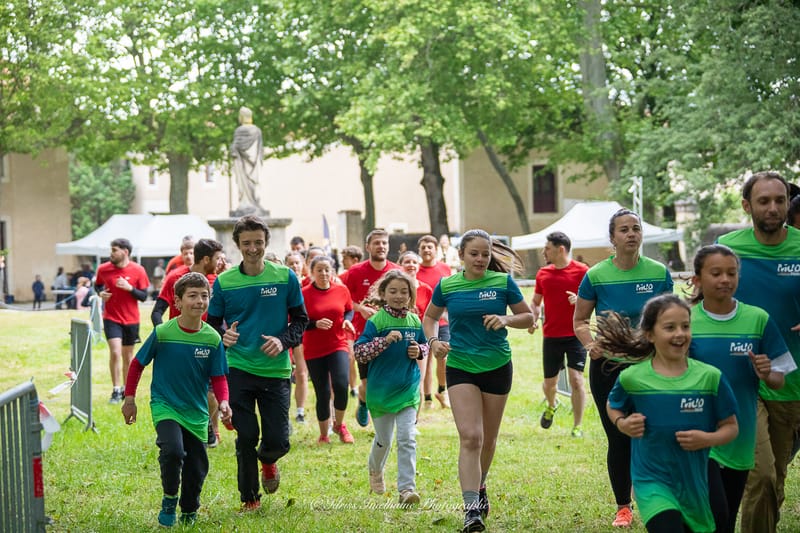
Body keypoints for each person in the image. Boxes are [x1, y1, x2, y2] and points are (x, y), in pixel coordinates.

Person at [599, 294, 739, 533]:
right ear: (650, 334)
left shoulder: (709, 377)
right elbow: (613, 405)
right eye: (669, 327)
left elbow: (731, 426)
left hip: (698, 476)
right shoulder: (633, 378)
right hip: (652, 479)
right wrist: (622, 423)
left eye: (685, 326)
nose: (679, 334)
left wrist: (708, 439)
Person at [423, 229, 533, 533]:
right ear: (461, 256)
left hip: (497, 364)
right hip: (460, 365)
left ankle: (480, 485)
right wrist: (433, 341)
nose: (481, 259)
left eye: (485, 254)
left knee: (488, 439)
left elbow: (529, 318)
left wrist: (507, 319)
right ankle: (471, 510)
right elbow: (429, 317)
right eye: (474, 254)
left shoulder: (502, 282)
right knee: (471, 436)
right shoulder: (448, 285)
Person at [572, 208, 674, 528]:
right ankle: (623, 507)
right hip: (609, 369)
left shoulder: (658, 272)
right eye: (624, 230)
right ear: (612, 238)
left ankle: (657, 498)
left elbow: (671, 319)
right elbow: (579, 321)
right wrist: (592, 345)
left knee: (653, 434)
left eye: (636, 228)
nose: (631, 234)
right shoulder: (596, 275)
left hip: (649, 366)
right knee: (619, 438)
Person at [687, 244, 794, 532]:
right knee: (716, 517)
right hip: (697, 437)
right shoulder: (685, 321)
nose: (725, 279)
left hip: (740, 436)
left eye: (731, 273)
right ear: (697, 279)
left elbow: (779, 378)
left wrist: (767, 372)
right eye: (716, 273)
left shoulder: (757, 319)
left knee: (727, 517)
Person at [717, 171, 800, 533]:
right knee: (761, 475)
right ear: (747, 206)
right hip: (744, 381)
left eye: (779, 200)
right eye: (764, 201)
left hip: (790, 381)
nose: (773, 208)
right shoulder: (727, 247)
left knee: (773, 482)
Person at [206, 215, 308, 510]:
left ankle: (269, 460)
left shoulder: (284, 277)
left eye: (258, 243)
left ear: (266, 243)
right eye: (247, 243)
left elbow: (301, 320)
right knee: (246, 436)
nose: (253, 249)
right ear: (237, 244)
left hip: (275, 371)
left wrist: (283, 341)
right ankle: (250, 498)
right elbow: (212, 324)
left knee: (279, 441)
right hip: (237, 368)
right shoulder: (225, 282)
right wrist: (223, 336)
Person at [121, 272, 232, 527]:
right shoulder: (163, 332)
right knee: (172, 451)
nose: (199, 301)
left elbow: (219, 378)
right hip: (165, 405)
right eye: (192, 296)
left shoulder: (212, 338)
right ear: (177, 302)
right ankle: (170, 498)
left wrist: (224, 402)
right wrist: (129, 399)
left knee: (197, 467)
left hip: (196, 411)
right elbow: (137, 364)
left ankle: (189, 509)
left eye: (204, 296)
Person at [354, 270, 428, 505]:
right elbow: (360, 352)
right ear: (383, 293)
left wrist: (419, 350)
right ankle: (375, 469)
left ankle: (407, 489)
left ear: (410, 295)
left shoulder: (415, 321)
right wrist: (383, 341)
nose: (398, 296)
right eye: (393, 291)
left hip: (407, 389)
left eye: (404, 292)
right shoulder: (376, 322)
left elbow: (425, 346)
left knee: (407, 439)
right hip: (381, 391)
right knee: (384, 440)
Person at [151, 239, 226, 448]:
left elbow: (220, 317)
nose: (220, 262)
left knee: (211, 386)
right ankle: (175, 428)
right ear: (206, 259)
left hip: (207, 343)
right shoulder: (175, 277)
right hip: (178, 345)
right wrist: (164, 337)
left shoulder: (216, 280)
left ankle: (211, 427)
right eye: (217, 258)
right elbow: (157, 312)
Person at [527, 232, 589, 437]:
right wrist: (532, 318)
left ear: (560, 249)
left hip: (576, 334)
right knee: (550, 383)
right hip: (552, 335)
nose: (544, 252)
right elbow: (535, 303)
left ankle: (577, 426)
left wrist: (580, 300)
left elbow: (594, 299)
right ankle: (552, 405)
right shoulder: (543, 274)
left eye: (547, 248)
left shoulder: (582, 272)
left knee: (576, 379)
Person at [343, 229, 400, 428]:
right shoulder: (356, 272)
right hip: (364, 335)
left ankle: (385, 419)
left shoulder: (395, 271)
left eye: (384, 243)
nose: (381, 246)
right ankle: (363, 400)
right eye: (376, 243)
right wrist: (360, 308)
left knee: (388, 379)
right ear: (368, 247)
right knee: (368, 383)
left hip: (391, 334)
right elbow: (342, 296)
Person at [301, 255, 356, 444]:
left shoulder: (341, 290)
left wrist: (348, 319)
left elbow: (349, 309)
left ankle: (339, 425)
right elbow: (298, 321)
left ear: (332, 271)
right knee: (322, 392)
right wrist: (315, 324)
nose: (324, 273)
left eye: (327, 269)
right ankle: (324, 435)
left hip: (337, 343)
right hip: (314, 349)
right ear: (312, 272)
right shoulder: (305, 293)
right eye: (319, 270)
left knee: (341, 385)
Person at [95, 238, 150, 404]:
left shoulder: (138, 270)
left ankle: (128, 390)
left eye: (114, 250)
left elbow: (144, 296)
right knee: (115, 352)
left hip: (131, 319)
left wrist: (130, 288)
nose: (111, 254)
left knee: (128, 356)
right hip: (111, 317)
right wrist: (100, 294)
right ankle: (116, 390)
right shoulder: (103, 269)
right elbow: (97, 286)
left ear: (125, 252)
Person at [416, 235, 453, 409]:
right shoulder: (415, 270)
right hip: (422, 322)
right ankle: (428, 398)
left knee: (443, 356)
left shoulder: (445, 269)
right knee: (426, 359)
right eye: (423, 247)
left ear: (436, 249)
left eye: (430, 247)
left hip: (442, 321)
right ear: (419, 250)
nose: (426, 250)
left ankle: (442, 390)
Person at [284, 250, 309, 424]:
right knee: (285, 372)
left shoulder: (309, 284)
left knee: (301, 372)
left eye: (297, 262)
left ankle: (300, 411)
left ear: (303, 265)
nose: (294, 266)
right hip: (284, 332)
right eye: (291, 263)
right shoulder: (283, 283)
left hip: (303, 332)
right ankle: (283, 411)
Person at [338, 244, 364, 398]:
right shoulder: (342, 278)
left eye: (345, 259)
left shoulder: (362, 274)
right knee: (350, 356)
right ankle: (353, 387)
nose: (342, 262)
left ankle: (361, 385)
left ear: (354, 260)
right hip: (348, 321)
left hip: (363, 321)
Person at [230, 106, 265, 215]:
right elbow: (259, 150)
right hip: (254, 166)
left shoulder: (239, 131)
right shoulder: (257, 131)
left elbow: (235, 148)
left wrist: (233, 149)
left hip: (242, 165)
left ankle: (245, 202)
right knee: (253, 184)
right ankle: (253, 202)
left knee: (243, 184)